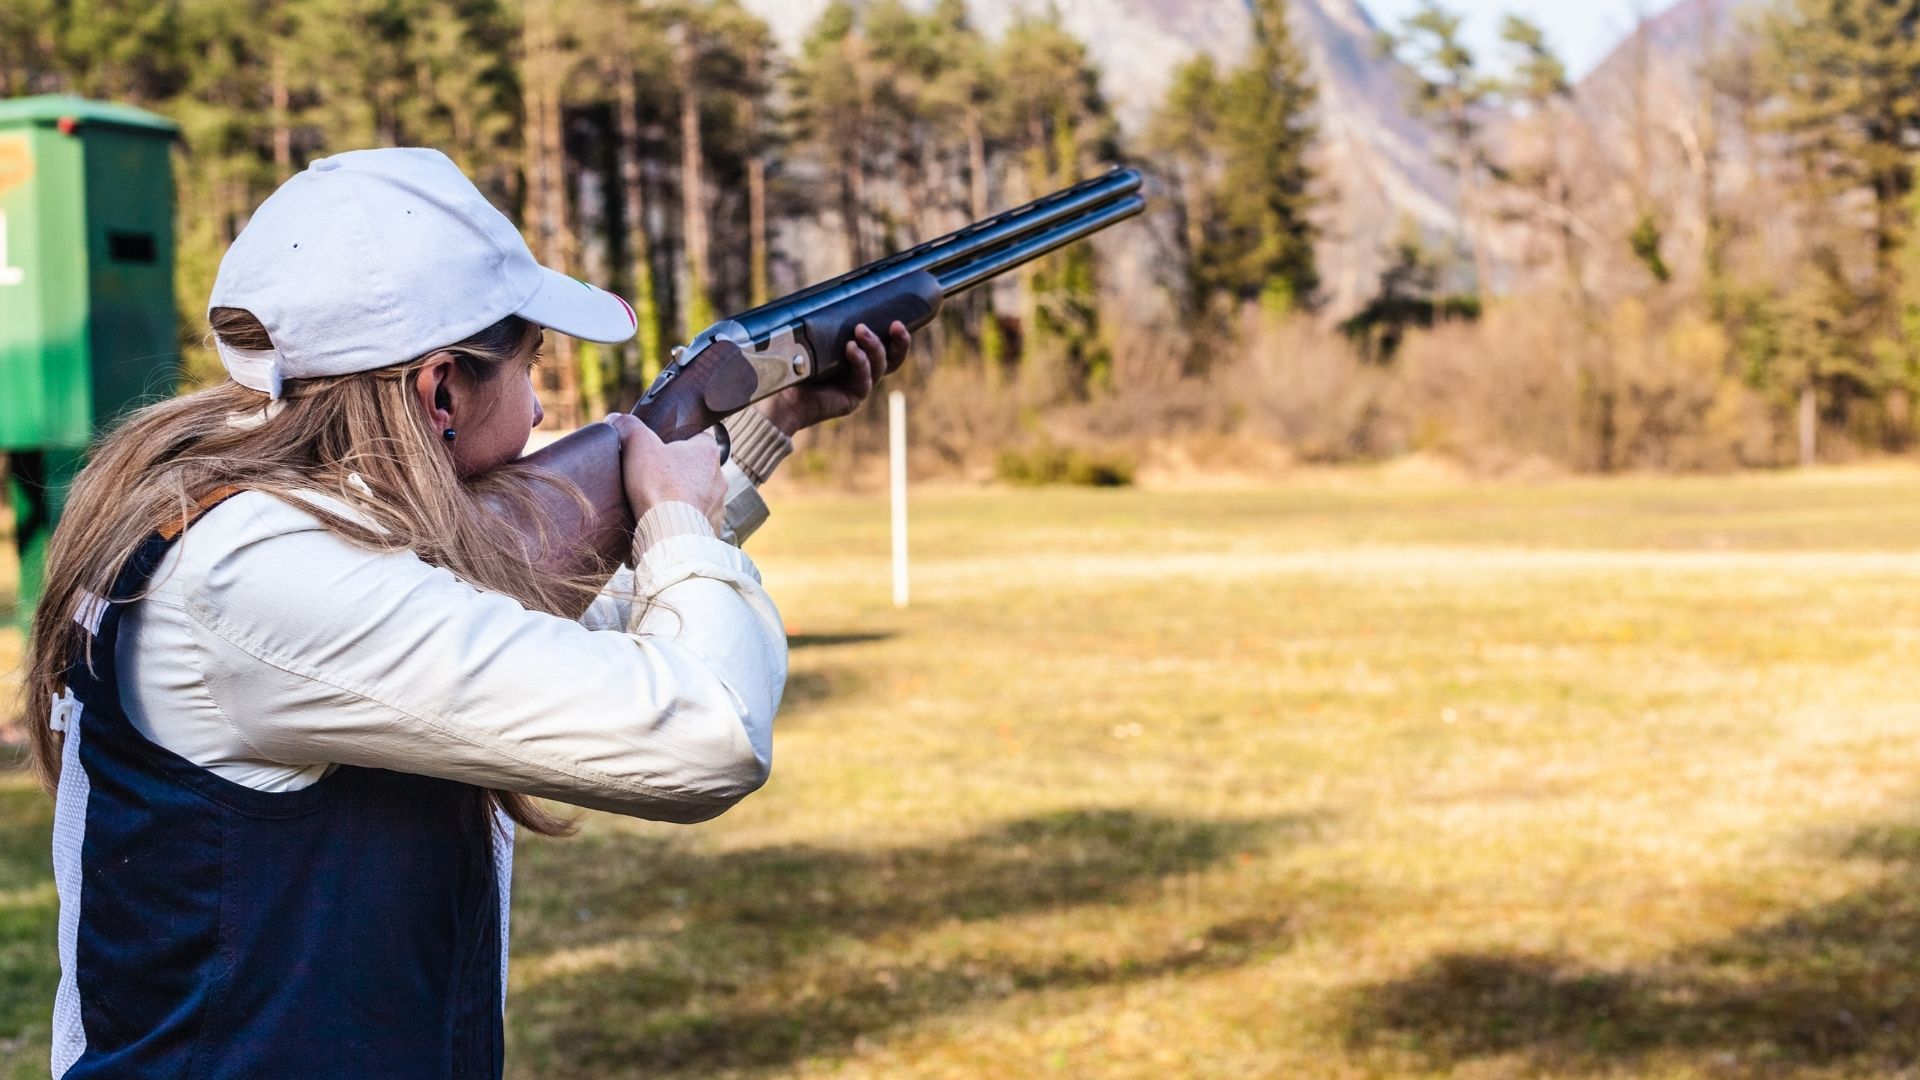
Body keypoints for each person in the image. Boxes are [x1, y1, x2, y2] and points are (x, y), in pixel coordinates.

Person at [19, 147, 909, 1078]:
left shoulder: (255, 525)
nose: (539, 412)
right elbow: (708, 735)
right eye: (529, 367)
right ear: (439, 389)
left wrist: (767, 425)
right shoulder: (258, 574)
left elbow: (536, 633)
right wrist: (677, 516)